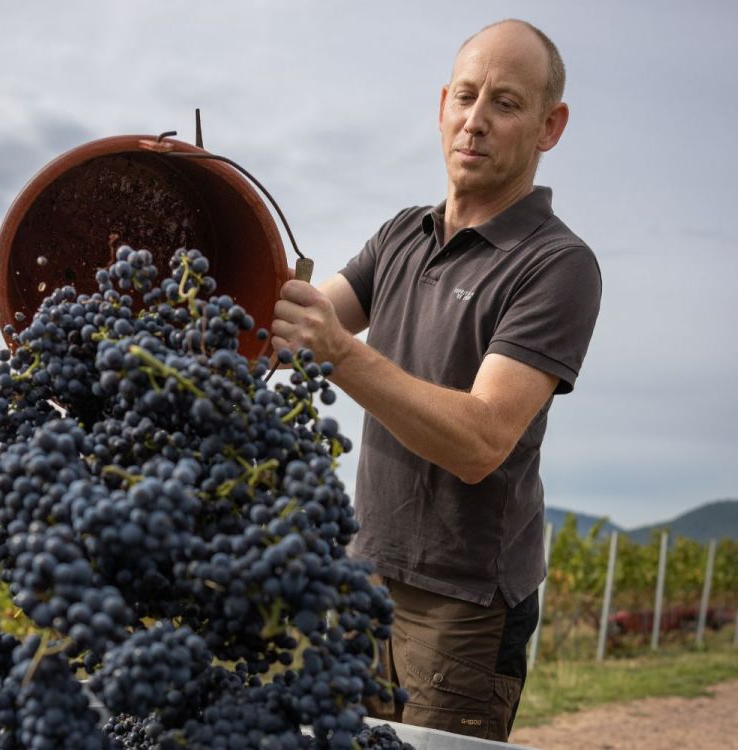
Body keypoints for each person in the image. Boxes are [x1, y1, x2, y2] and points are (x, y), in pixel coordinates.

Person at [270, 19, 601, 742]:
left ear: (551, 126)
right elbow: (291, 325)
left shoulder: (556, 265)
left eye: (505, 104)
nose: (475, 122)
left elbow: (482, 439)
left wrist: (342, 356)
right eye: (465, 96)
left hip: (463, 609)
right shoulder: (400, 235)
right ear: (441, 104)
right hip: (364, 585)